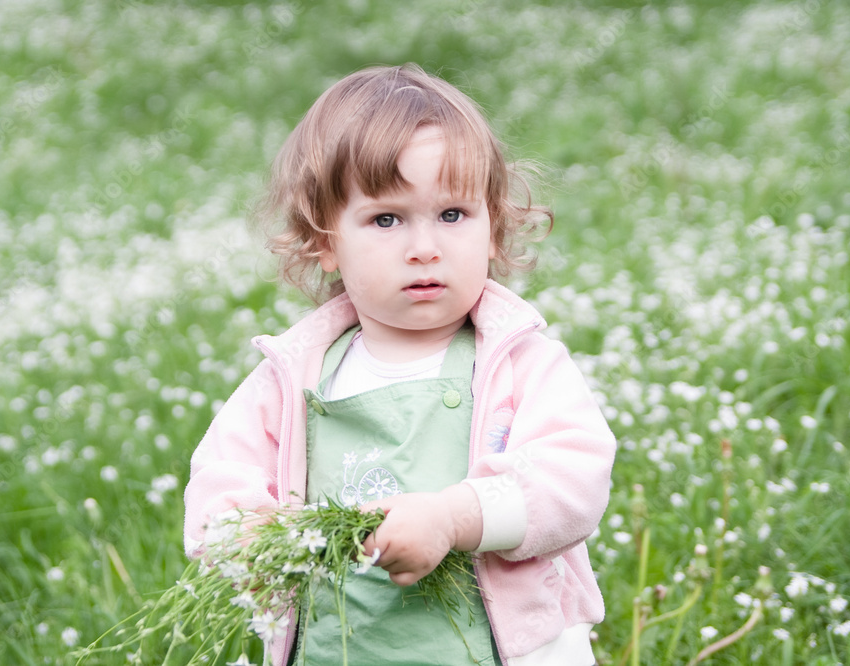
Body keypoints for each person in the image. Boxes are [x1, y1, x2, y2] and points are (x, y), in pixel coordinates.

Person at [183, 63, 616, 666]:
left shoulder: (521, 363)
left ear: (493, 226)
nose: (424, 247)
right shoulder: (293, 377)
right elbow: (219, 485)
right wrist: (256, 541)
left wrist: (454, 517)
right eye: (386, 219)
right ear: (326, 242)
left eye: (453, 215)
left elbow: (574, 477)